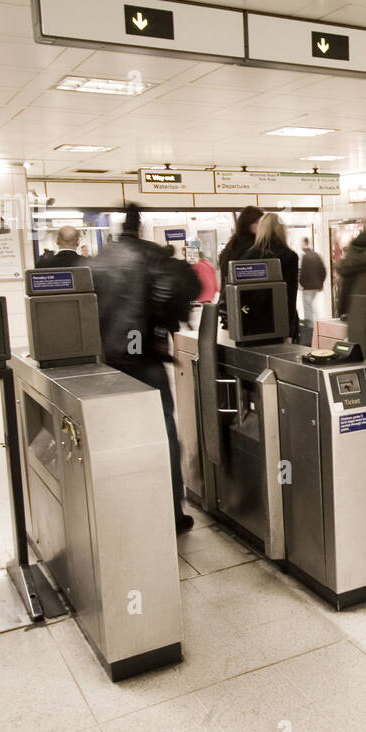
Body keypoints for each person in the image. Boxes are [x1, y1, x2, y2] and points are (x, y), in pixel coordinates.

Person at [89, 203, 201, 533]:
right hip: (144, 360)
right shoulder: (151, 256)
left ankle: (126, 507)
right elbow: (191, 287)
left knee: (117, 434)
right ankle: (172, 512)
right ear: (139, 228)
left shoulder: (98, 260)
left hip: (107, 363)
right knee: (163, 430)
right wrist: (163, 324)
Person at [242, 212, 300, 340]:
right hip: (279, 321)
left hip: (253, 323)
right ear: (281, 230)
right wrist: (289, 330)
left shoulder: (249, 255)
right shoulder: (289, 256)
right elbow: (290, 295)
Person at [217, 205, 263, 287]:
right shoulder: (251, 246)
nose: (261, 226)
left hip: (230, 294)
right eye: (256, 222)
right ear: (246, 223)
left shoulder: (232, 243)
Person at [298, 237, 326, 327]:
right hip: (316, 286)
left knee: (307, 307)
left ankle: (310, 327)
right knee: (312, 304)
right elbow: (323, 270)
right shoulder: (316, 255)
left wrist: (301, 284)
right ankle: (318, 323)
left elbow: (303, 273)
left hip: (308, 287)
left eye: (301, 243)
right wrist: (321, 283)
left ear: (305, 243)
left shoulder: (305, 257)